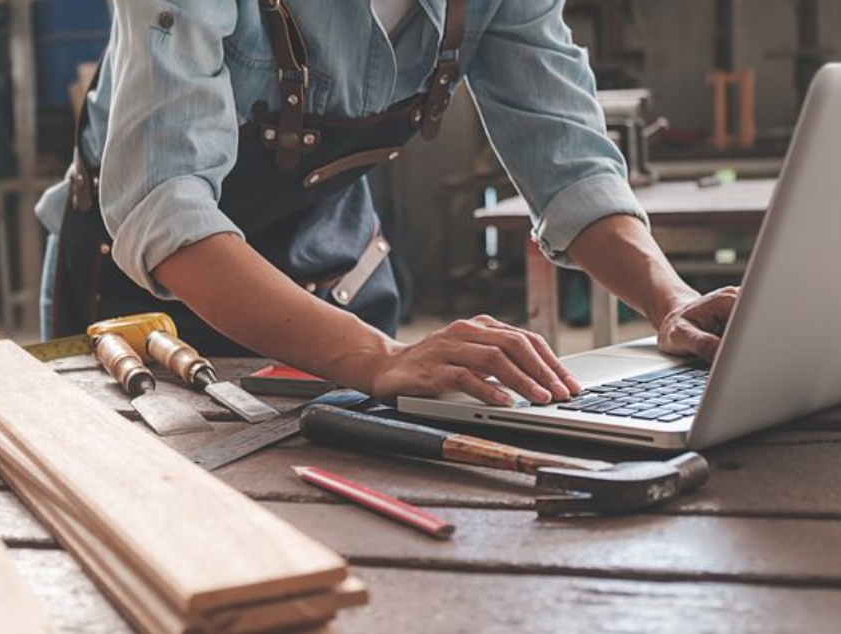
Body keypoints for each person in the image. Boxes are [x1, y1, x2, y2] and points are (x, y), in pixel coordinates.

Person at [36, 0, 739, 406]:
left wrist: (668, 299)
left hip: (334, 259)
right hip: (143, 290)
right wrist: (374, 357)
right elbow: (166, 205)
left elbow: (570, 160)